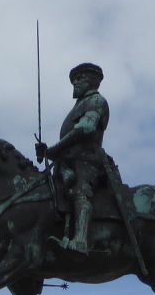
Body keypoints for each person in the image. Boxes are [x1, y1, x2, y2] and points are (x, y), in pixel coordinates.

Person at [37, 62, 110, 255]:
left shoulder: (96, 101)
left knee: (80, 192)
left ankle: (80, 241)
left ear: (93, 81)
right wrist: (47, 152)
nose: (75, 83)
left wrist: (55, 149)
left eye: (80, 79)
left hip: (87, 161)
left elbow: (86, 128)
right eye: (74, 80)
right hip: (68, 161)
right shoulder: (78, 105)